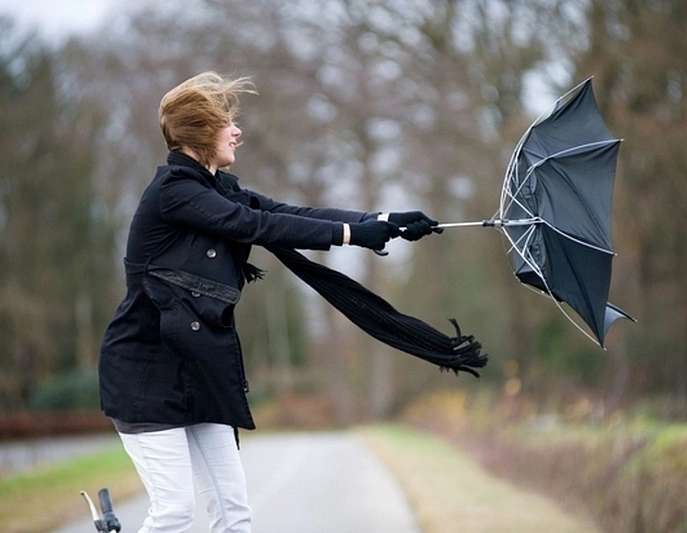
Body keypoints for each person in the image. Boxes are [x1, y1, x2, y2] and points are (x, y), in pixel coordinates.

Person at [98, 71, 439, 533]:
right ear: (200, 132)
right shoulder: (174, 193)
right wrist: (352, 234)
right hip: (146, 374)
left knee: (233, 513)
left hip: (201, 370)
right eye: (226, 123)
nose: (236, 131)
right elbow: (254, 226)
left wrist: (381, 220)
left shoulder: (220, 188)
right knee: (175, 512)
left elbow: (286, 214)